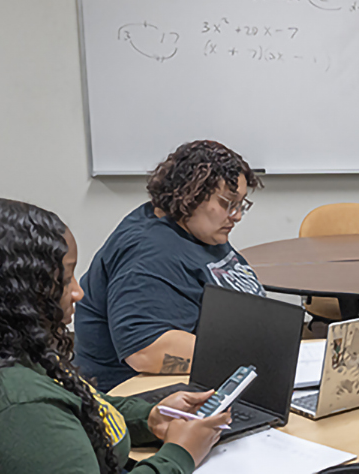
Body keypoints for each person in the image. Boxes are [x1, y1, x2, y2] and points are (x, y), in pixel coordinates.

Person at [0, 198, 229, 473]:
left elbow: (78, 408)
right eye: (65, 278)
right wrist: (180, 455)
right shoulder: (14, 402)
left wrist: (150, 418)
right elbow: (37, 421)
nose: (78, 292)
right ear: (13, 292)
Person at [74, 140, 265, 391]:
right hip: (137, 397)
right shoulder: (149, 251)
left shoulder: (199, 231)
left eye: (241, 204)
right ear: (191, 193)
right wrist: (255, 354)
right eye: (228, 203)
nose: (237, 215)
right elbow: (146, 350)